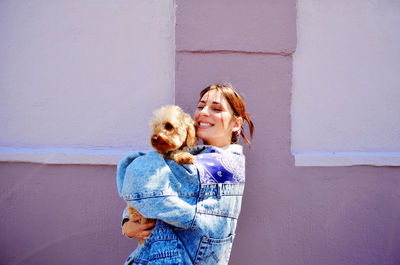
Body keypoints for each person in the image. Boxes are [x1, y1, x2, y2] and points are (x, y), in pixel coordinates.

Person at [117, 83, 254, 265]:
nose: (204, 112)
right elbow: (145, 202)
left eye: (216, 108)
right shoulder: (196, 157)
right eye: (200, 106)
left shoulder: (224, 166)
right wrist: (128, 223)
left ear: (236, 124)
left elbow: (139, 177)